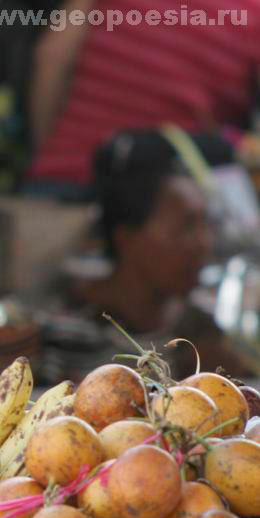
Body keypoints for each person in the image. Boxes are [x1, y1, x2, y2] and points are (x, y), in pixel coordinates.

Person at [34, 130, 253, 382]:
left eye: (205, 226)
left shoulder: (201, 329)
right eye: (185, 228)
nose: (203, 243)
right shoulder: (58, 334)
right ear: (126, 237)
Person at [25, 0, 260, 199]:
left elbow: (52, 57)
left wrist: (50, 153)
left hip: (64, 179)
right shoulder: (250, 14)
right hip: (161, 208)